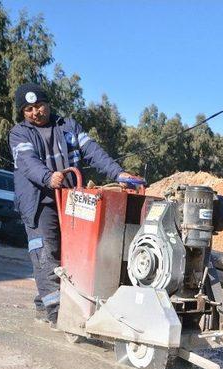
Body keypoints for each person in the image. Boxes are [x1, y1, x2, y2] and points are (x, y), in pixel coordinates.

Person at [8, 82, 139, 328]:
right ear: (23, 113)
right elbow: (27, 162)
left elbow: (93, 152)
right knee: (47, 254)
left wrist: (119, 174)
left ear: (48, 104)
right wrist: (48, 177)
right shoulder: (19, 133)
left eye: (40, 105)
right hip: (40, 202)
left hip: (71, 201)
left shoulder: (68, 126)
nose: (36, 112)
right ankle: (58, 314)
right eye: (29, 109)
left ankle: (44, 303)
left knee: (73, 254)